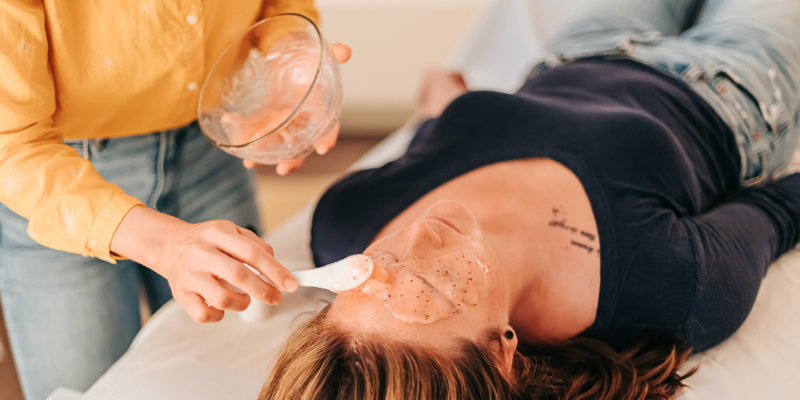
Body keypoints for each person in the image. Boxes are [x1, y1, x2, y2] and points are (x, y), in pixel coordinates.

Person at [261, 0, 800, 398]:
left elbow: (436, 146)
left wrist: (445, 106)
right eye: (430, 284)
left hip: (575, 53)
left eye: (370, 265)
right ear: (501, 351)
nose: (418, 233)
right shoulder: (666, 288)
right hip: (736, 85)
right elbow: (781, 208)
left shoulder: (344, 218)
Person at [0, 1, 350, 398]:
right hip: (55, 179)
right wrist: (167, 245)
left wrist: (290, 57)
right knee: (88, 386)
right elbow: (9, 145)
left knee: (235, 359)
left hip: (209, 146)